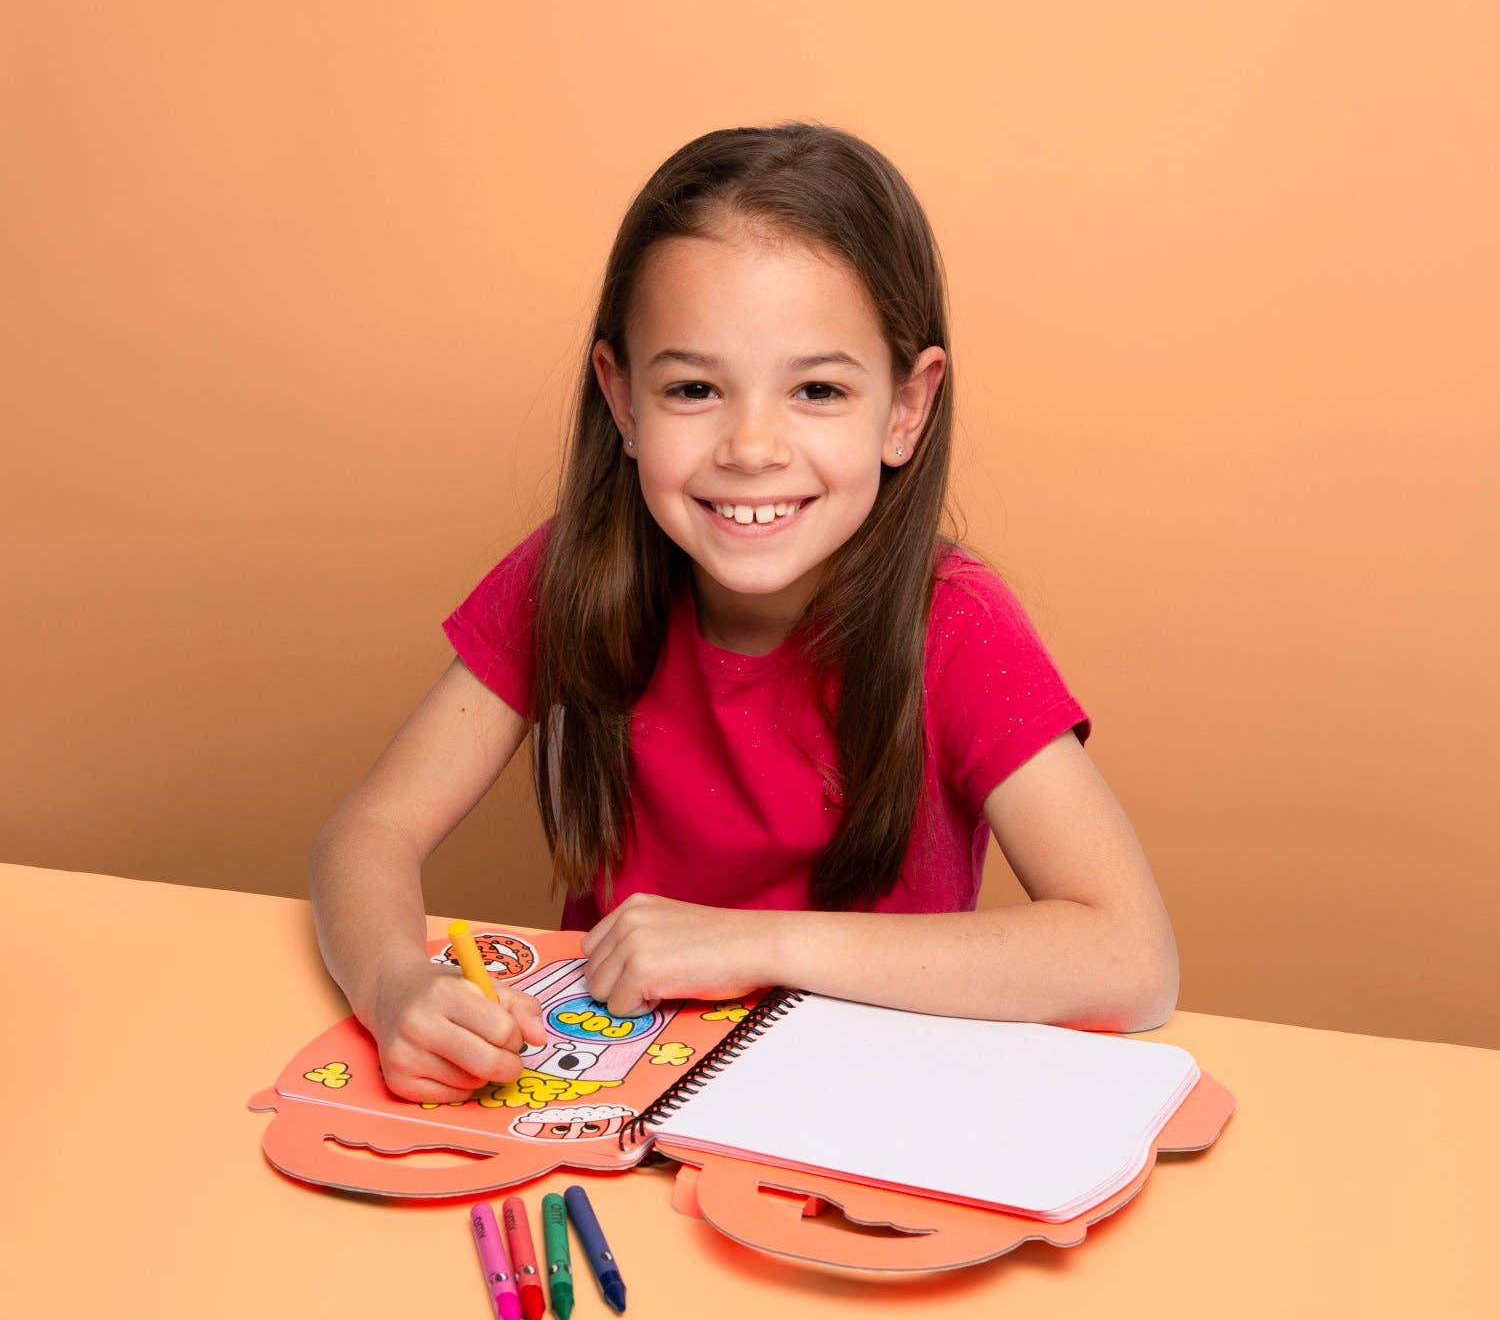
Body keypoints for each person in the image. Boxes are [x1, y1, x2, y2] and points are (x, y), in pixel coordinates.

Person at [309, 121, 1180, 1104]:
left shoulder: (958, 625)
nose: (752, 447)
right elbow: (366, 835)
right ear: (623, 399)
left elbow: (1132, 959)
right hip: (612, 1110)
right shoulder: (569, 577)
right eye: (693, 388)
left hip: (861, 1109)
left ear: (905, 408)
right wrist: (392, 984)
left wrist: (755, 946)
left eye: (815, 388)